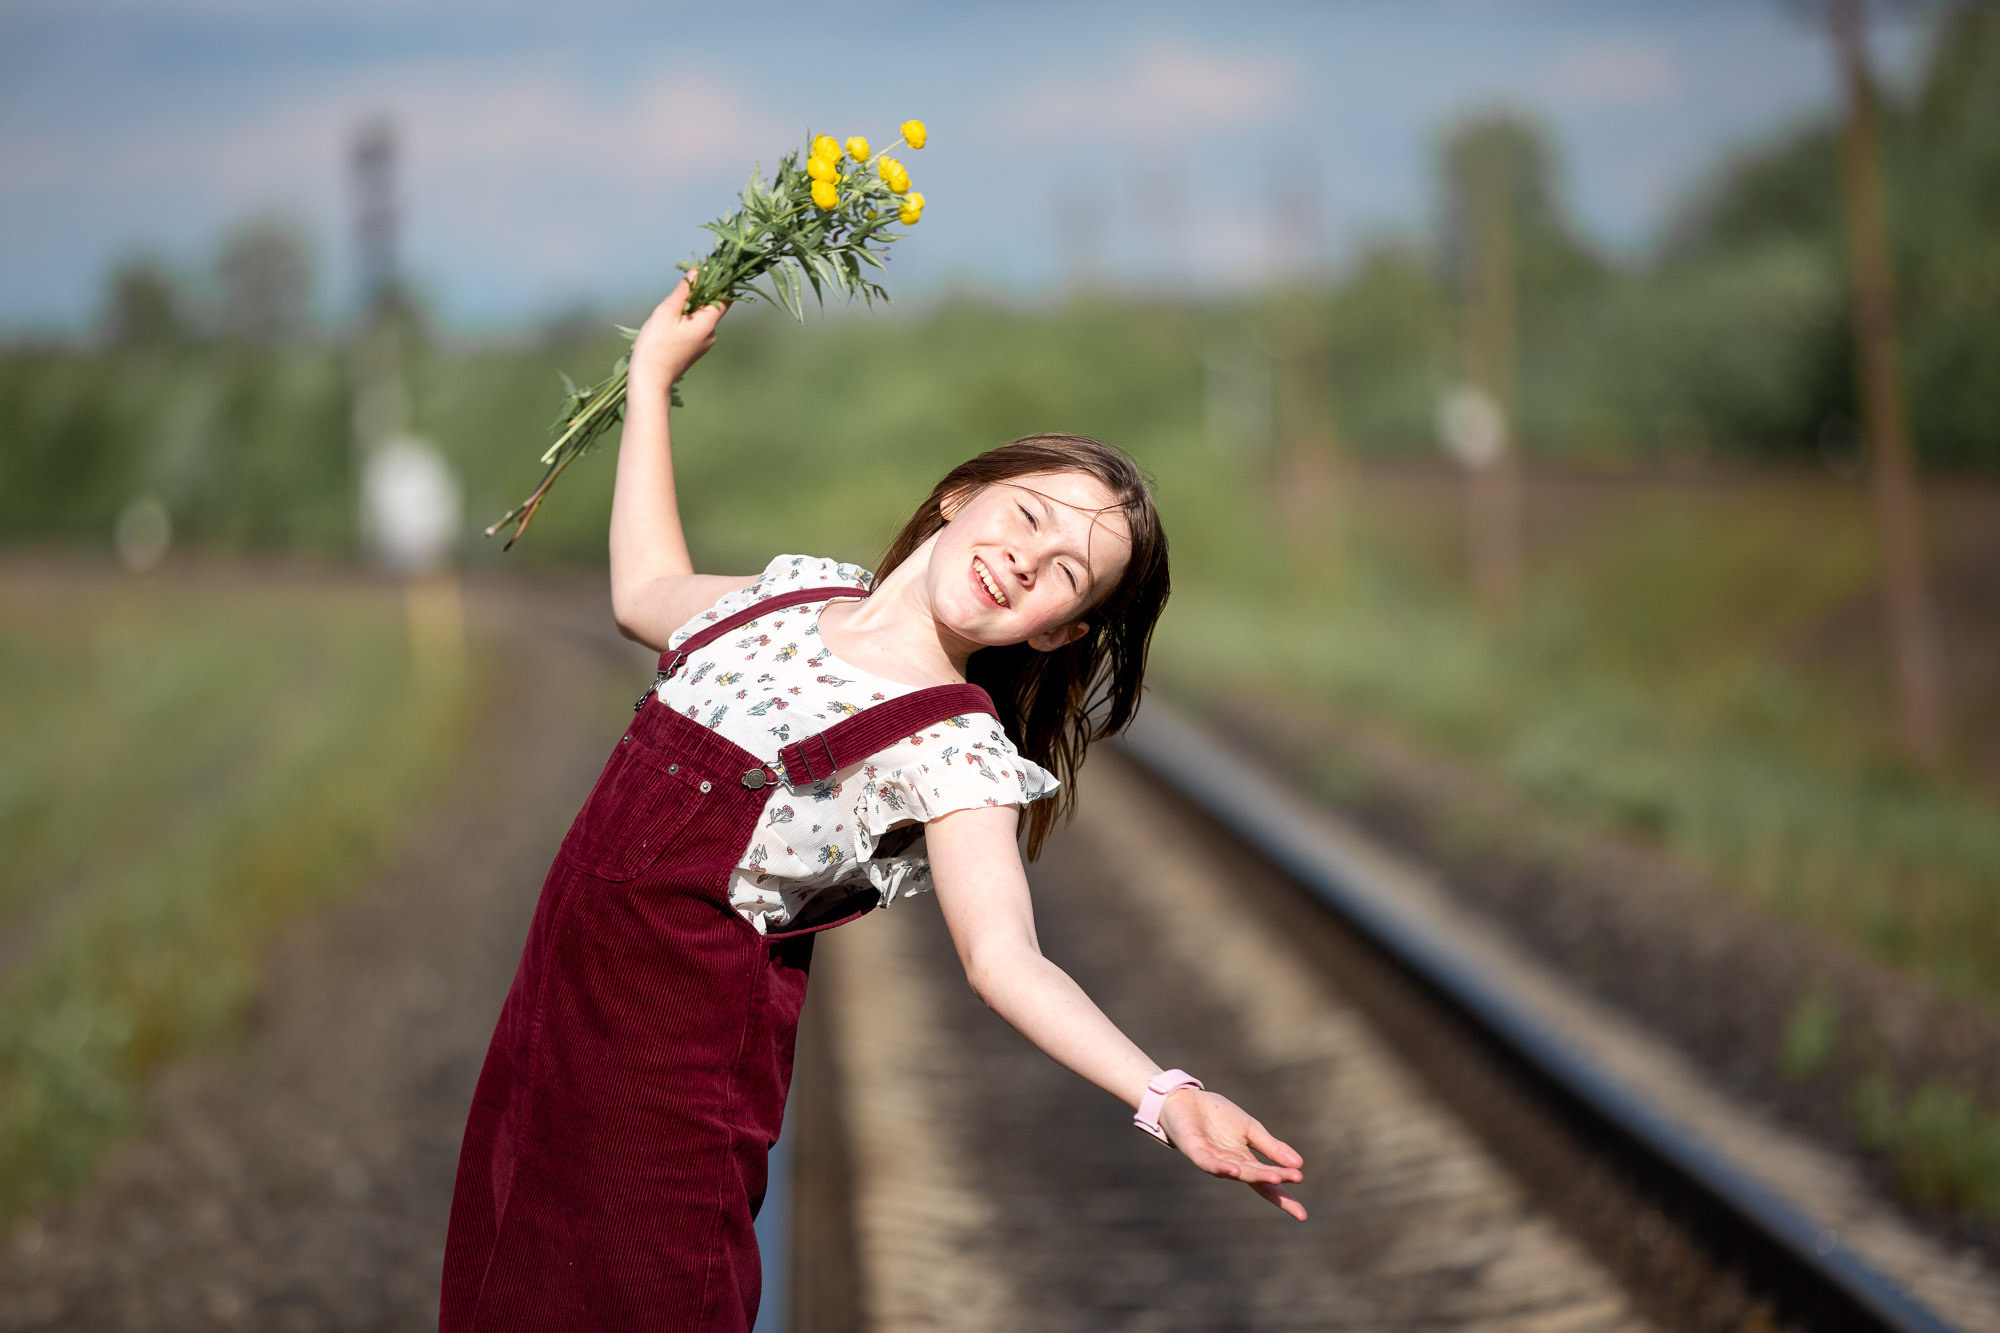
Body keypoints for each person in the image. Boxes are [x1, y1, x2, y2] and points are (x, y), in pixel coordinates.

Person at [440, 273, 1306, 1332]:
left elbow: (1006, 961)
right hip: (554, 1014)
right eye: (1024, 513)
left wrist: (1164, 1097)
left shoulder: (951, 742)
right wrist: (652, 378)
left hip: (673, 1071)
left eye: (1063, 575)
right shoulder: (786, 593)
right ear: (960, 495)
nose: (1023, 557)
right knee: (503, 1288)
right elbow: (639, 591)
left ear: (1053, 632)